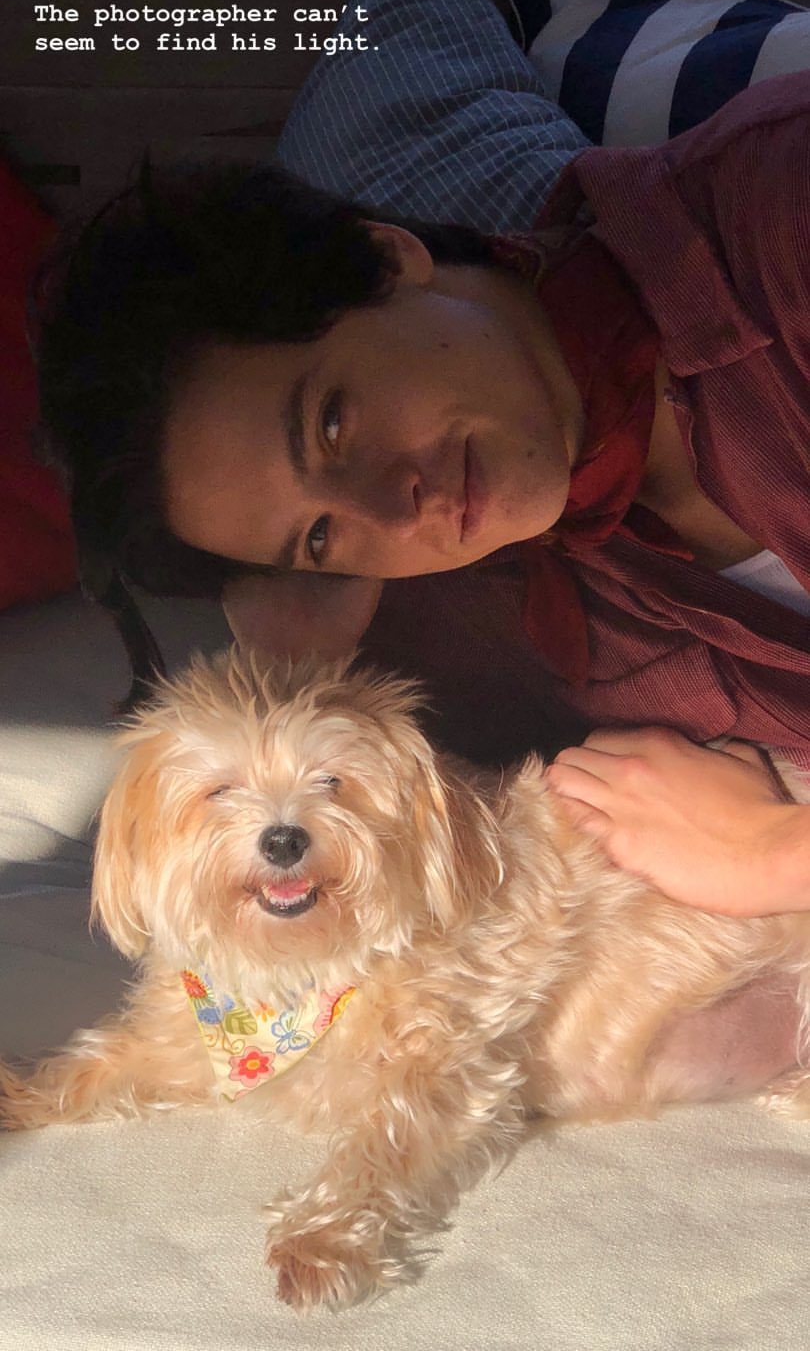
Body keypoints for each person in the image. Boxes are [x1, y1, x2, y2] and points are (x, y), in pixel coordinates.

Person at [31, 71, 810, 937]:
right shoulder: (477, 614)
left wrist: (774, 855)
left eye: (332, 424)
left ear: (387, 260)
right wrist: (306, 668)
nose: (395, 513)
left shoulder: (777, 220)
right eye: (319, 535)